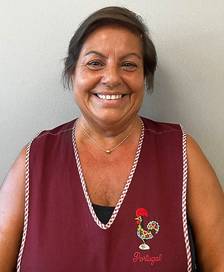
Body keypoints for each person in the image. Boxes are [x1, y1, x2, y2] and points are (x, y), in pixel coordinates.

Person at [0, 6, 223, 272]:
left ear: (144, 78)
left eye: (128, 64)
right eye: (95, 63)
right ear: (73, 73)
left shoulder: (183, 153)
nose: (112, 78)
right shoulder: (34, 159)